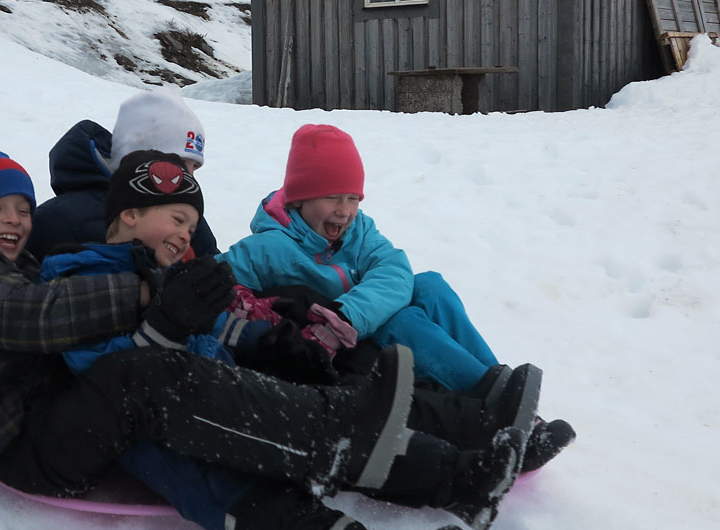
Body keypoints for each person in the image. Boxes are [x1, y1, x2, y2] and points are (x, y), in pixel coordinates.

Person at [0, 146, 531, 530]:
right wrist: (157, 304)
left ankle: (454, 475)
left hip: (96, 414)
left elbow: (203, 327)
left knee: (269, 393)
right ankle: (362, 451)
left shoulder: (36, 267)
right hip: (19, 439)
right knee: (174, 413)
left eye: (23, 209)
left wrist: (267, 333)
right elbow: (38, 320)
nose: (14, 220)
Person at [220, 124, 576, 472]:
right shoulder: (268, 247)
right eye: (332, 197)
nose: (344, 210)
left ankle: (501, 389)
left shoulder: (358, 229)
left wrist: (349, 311)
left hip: (355, 319)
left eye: (353, 198)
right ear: (300, 198)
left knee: (431, 285)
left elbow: (393, 268)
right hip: (343, 349)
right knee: (404, 320)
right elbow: (217, 280)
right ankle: (499, 411)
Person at [27, 86, 217, 260]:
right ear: (142, 153)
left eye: (194, 167)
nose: (189, 177)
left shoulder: (186, 219)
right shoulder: (58, 220)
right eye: (181, 163)